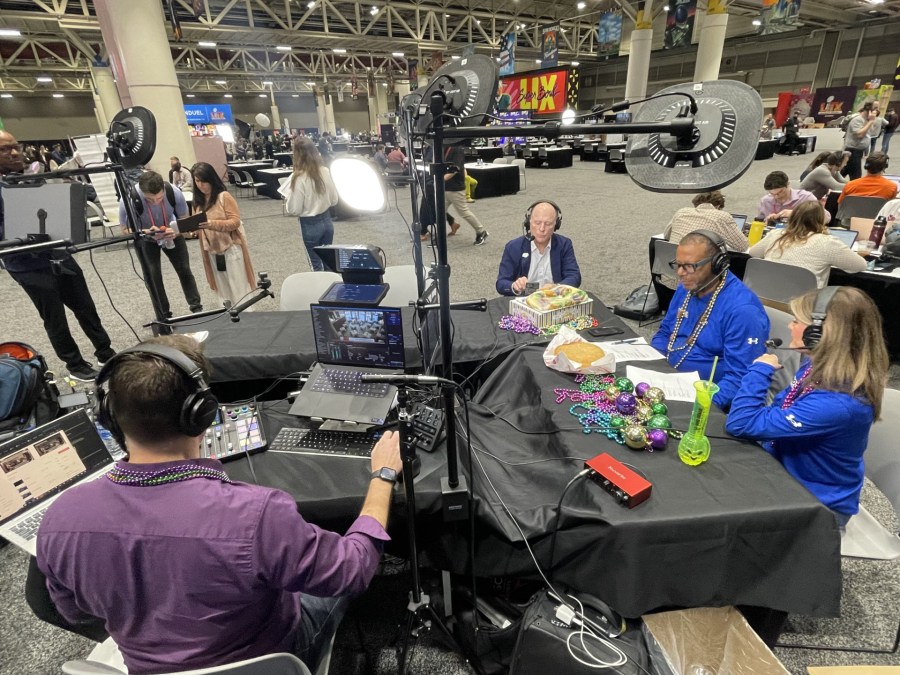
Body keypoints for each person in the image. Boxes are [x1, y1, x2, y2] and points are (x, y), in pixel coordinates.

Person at [31, 334, 402, 673]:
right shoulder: (257, 513)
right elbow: (351, 571)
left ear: (110, 416)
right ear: (202, 413)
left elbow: (74, 612)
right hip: (274, 659)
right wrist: (383, 476)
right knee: (329, 574)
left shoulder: (60, 517)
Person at [726, 286, 888, 531]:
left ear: (820, 334)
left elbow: (742, 422)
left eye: (796, 321)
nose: (790, 326)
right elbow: (781, 406)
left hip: (817, 506)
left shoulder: (838, 404)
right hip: (785, 472)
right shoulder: (818, 363)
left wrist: (760, 370)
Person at [0, 130, 115, 381]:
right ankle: (75, 365)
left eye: (15, 146)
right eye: (5, 150)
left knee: (85, 306)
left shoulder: (36, 176)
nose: (14, 152)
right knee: (54, 317)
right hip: (27, 264)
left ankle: (105, 352)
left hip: (57, 253)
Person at [651, 230, 769, 410]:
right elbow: (665, 332)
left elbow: (740, 378)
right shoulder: (689, 285)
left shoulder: (743, 311)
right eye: (678, 265)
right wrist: (652, 367)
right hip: (668, 383)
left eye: (689, 266)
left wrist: (701, 408)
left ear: (717, 264)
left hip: (704, 400)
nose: (681, 273)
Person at [118, 171, 203, 317]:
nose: (156, 202)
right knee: (153, 276)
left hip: (172, 234)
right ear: (143, 193)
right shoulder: (129, 199)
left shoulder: (174, 192)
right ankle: (164, 314)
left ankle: (196, 307)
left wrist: (175, 231)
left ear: (163, 190)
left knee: (184, 270)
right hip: (146, 239)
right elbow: (125, 230)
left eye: (159, 198)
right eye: (150, 200)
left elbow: (184, 220)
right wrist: (145, 232)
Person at [747, 201, 865, 288]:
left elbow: (753, 252)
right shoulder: (828, 242)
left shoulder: (776, 234)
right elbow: (859, 266)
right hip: (804, 305)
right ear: (821, 220)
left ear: (793, 217)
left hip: (765, 297)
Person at [190, 162, 256, 308]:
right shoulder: (198, 202)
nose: (201, 185)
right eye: (197, 181)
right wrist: (191, 229)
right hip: (212, 252)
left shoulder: (223, 196)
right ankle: (230, 318)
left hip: (231, 249)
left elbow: (235, 222)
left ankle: (247, 317)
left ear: (211, 179)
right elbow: (196, 226)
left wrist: (212, 224)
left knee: (238, 287)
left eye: (204, 180)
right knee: (223, 289)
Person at [496, 201, 581, 296]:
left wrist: (556, 288)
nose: (542, 228)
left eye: (548, 223)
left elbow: (574, 276)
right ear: (528, 222)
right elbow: (501, 283)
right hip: (523, 300)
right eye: (537, 222)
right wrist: (514, 286)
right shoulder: (513, 247)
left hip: (554, 299)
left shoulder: (564, 244)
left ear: (556, 225)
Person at [279, 138, 340, 271]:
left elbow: (294, 209)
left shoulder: (299, 178)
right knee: (328, 261)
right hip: (327, 221)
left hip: (310, 224)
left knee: (316, 265)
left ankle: (320, 289)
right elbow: (334, 199)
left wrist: (288, 199)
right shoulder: (325, 171)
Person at [663, 191, 749, 252]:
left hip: (671, 264)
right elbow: (743, 247)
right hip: (697, 269)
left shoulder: (681, 212)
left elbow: (666, 236)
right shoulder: (721, 216)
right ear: (718, 206)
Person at [443, 144, 489, 246]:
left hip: (455, 188)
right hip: (445, 187)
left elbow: (456, 168)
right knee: (439, 212)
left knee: (464, 212)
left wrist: (441, 179)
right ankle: (442, 235)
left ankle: (481, 231)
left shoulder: (457, 149)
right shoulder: (443, 147)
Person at [758, 171, 830, 225]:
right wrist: (767, 220)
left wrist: (796, 214)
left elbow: (826, 217)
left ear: (788, 184)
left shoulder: (805, 197)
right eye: (772, 194)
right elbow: (759, 221)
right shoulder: (766, 201)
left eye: (780, 192)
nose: (777, 196)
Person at [843, 102, 878, 181]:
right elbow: (860, 135)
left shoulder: (866, 120)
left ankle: (832, 186)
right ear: (869, 109)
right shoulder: (857, 120)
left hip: (858, 151)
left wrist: (869, 121)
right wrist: (870, 121)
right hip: (852, 150)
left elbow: (867, 133)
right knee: (856, 176)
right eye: (875, 108)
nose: (877, 111)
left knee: (845, 171)